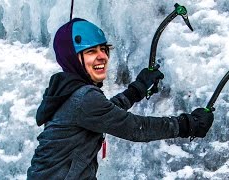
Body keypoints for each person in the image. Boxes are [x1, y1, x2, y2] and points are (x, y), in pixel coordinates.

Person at [27, 18, 214, 179]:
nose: (102, 57)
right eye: (91, 51)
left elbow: (106, 112)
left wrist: (136, 90)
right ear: (73, 58)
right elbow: (135, 128)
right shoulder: (83, 98)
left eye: (103, 49)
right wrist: (186, 125)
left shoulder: (69, 90)